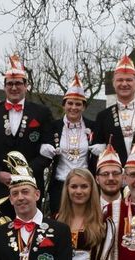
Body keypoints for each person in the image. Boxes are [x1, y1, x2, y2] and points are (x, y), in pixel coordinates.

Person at [0, 55, 55, 205]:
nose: (14, 87)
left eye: (18, 83)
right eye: (10, 84)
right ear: (4, 86)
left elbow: (49, 150)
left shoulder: (42, 113)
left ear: (26, 85)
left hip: (31, 186)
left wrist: (25, 173)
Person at [41, 74, 95, 214]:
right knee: (60, 222)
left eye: (78, 104)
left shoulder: (93, 127)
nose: (73, 107)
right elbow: (43, 149)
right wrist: (44, 149)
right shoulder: (53, 127)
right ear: (63, 105)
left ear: (84, 107)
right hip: (60, 185)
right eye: (70, 103)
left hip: (85, 186)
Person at [90, 56, 135, 167]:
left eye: (129, 80)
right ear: (113, 83)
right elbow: (96, 153)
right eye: (120, 80)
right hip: (114, 176)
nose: (124, 84)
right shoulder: (103, 116)